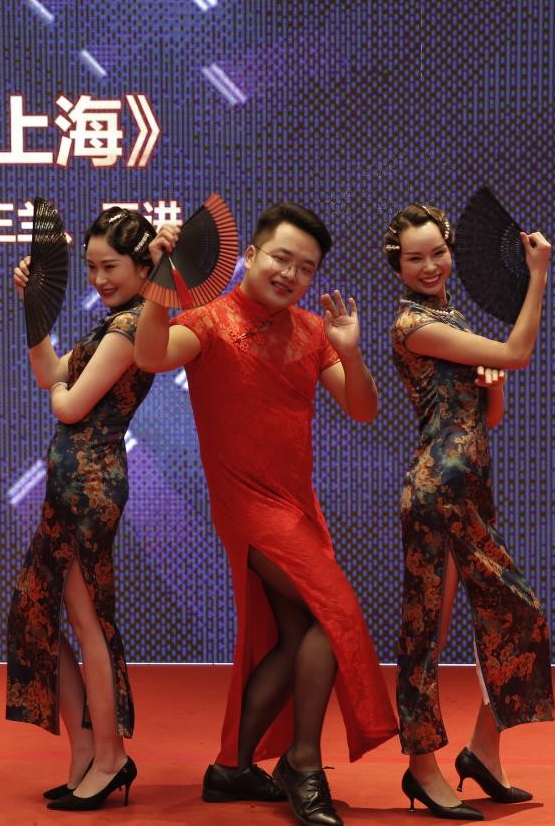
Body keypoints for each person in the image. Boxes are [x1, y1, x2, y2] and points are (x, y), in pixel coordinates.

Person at [135, 203, 398, 826]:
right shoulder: (208, 321)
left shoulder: (313, 331)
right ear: (250, 255)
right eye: (281, 258)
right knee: (334, 616)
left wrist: (351, 353)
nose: (290, 274)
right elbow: (150, 354)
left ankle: (231, 767)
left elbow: (363, 409)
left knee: (300, 633)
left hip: (299, 508)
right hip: (248, 507)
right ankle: (303, 762)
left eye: (305, 268)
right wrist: (160, 283)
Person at [386, 205, 555, 820]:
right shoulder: (412, 324)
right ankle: (422, 769)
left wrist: (495, 385)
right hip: (437, 493)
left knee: (519, 614)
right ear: (398, 267)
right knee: (425, 634)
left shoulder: (450, 318)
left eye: (438, 252)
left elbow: (489, 415)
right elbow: (518, 350)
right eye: (415, 258)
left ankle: (482, 753)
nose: (429, 265)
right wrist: (538, 275)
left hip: (468, 492)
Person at [5, 208, 157, 811]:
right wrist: (34, 307)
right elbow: (48, 371)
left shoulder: (134, 326)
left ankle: (111, 757)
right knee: (35, 614)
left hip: (91, 486)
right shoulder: (111, 323)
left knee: (88, 622)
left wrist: (62, 392)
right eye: (91, 267)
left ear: (144, 267)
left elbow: (67, 403)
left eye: (110, 266)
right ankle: (86, 751)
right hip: (70, 484)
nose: (98, 278)